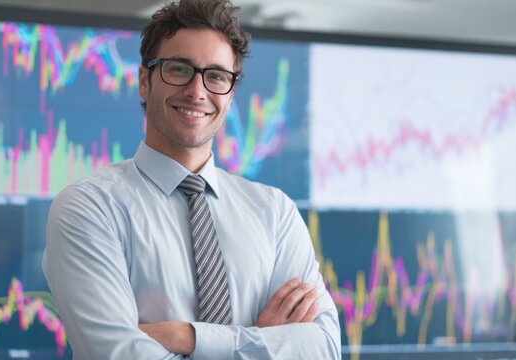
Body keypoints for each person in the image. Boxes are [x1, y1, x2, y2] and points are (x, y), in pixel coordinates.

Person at [42, 0, 341, 358]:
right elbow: (119, 355)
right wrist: (261, 341)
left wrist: (190, 338)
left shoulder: (274, 213)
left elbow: (322, 348)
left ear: (230, 93)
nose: (197, 91)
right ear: (144, 81)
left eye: (216, 75)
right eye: (179, 69)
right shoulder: (89, 208)